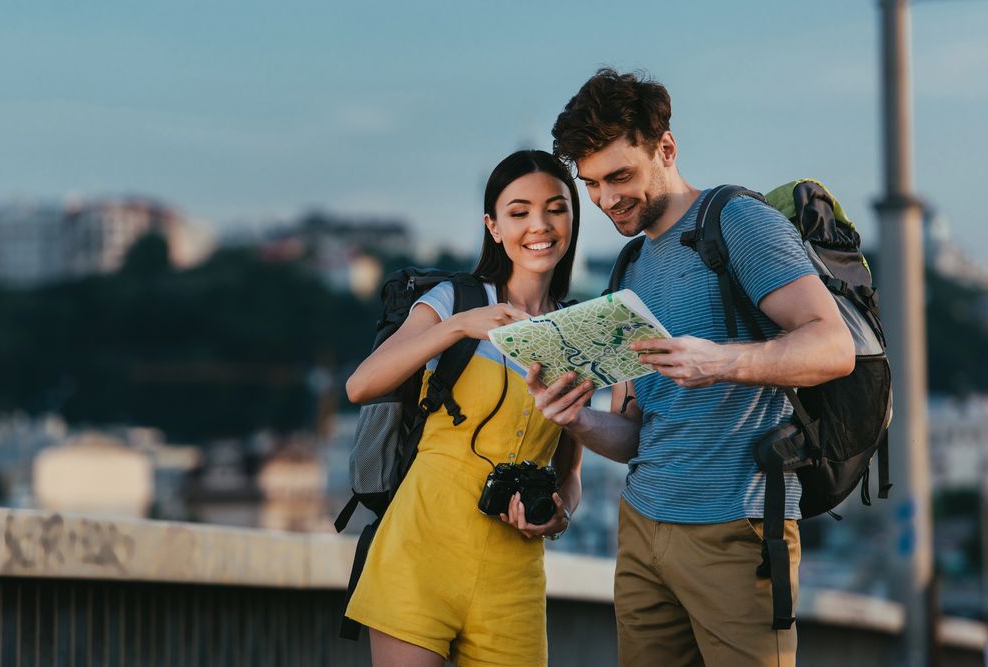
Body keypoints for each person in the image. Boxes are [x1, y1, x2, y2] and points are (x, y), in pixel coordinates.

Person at [527, 69, 856, 667]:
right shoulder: (628, 268)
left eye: (620, 176)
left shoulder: (738, 224)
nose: (606, 199)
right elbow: (633, 435)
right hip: (641, 528)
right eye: (592, 183)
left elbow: (833, 347)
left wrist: (719, 361)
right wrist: (575, 420)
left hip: (737, 531)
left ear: (667, 149)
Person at [344, 149, 584, 667]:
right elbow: (360, 385)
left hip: (513, 579)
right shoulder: (454, 298)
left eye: (556, 208)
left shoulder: (576, 337)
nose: (539, 225)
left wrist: (559, 514)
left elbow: (570, 473)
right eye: (519, 212)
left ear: (572, 219)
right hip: (418, 553)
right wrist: (457, 326)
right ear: (493, 227)